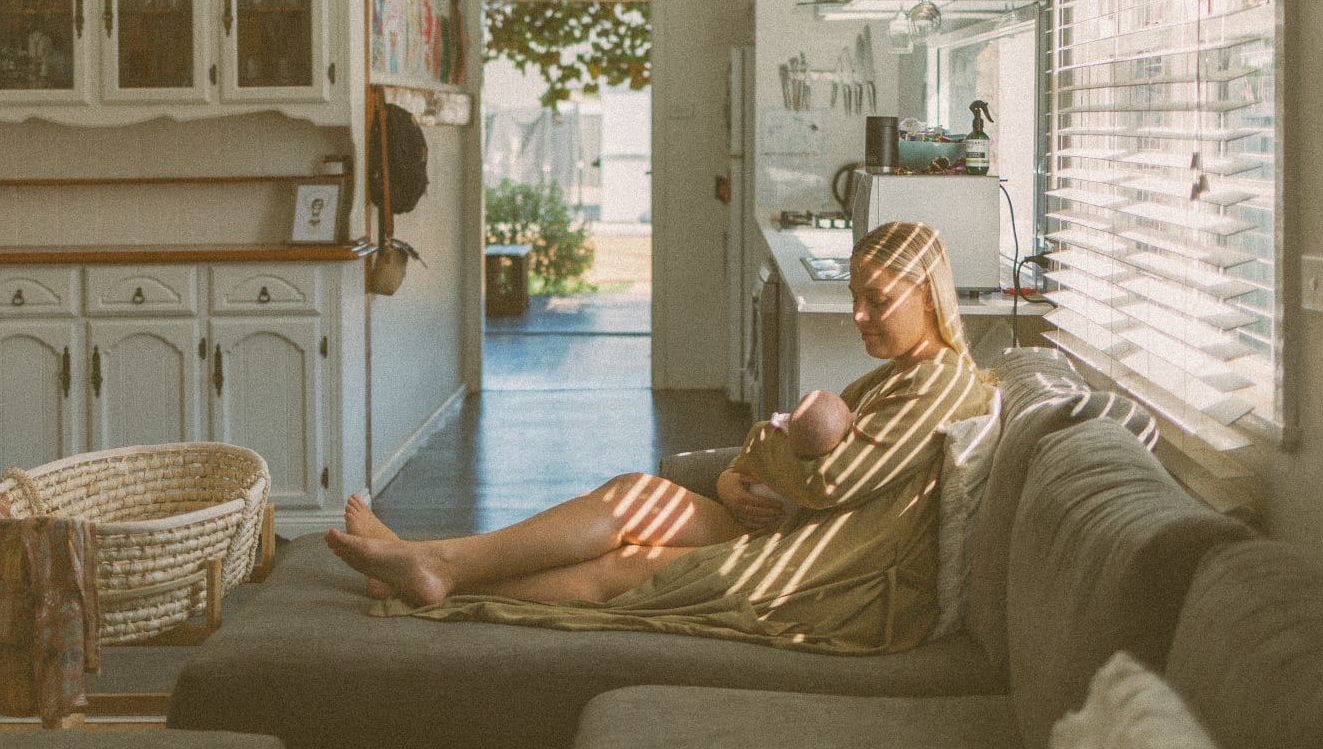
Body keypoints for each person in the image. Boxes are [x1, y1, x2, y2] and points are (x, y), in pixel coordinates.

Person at [325, 220, 991, 654]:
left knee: (631, 566)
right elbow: (804, 452)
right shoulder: (895, 377)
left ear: (930, 298)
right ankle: (434, 559)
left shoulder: (941, 383)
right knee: (635, 496)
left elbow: (828, 478)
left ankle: (437, 578)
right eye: (855, 295)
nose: (857, 314)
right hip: (802, 536)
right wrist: (736, 477)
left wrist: (759, 450)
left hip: (837, 580)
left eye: (877, 299)